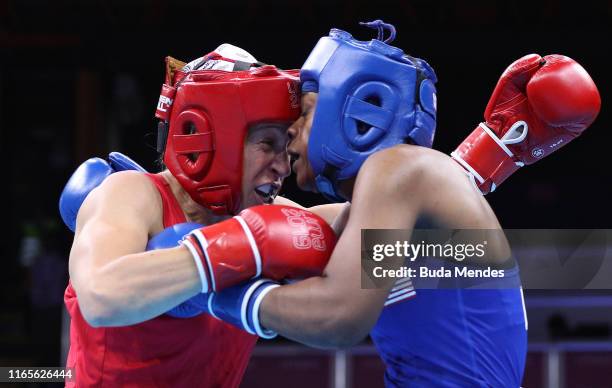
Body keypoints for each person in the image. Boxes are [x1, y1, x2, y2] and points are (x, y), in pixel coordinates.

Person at [183, 21, 600, 387]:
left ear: (361, 116)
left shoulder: (397, 170)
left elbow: (338, 317)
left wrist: (208, 291)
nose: (292, 132)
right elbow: (275, 228)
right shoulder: (387, 199)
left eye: (306, 112)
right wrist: (172, 190)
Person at [60, 45, 340, 387]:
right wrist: (237, 247)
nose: (283, 166)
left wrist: (406, 181)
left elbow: (391, 251)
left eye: (286, 147)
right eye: (267, 144)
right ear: (213, 138)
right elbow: (100, 297)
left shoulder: (271, 219)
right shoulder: (133, 195)